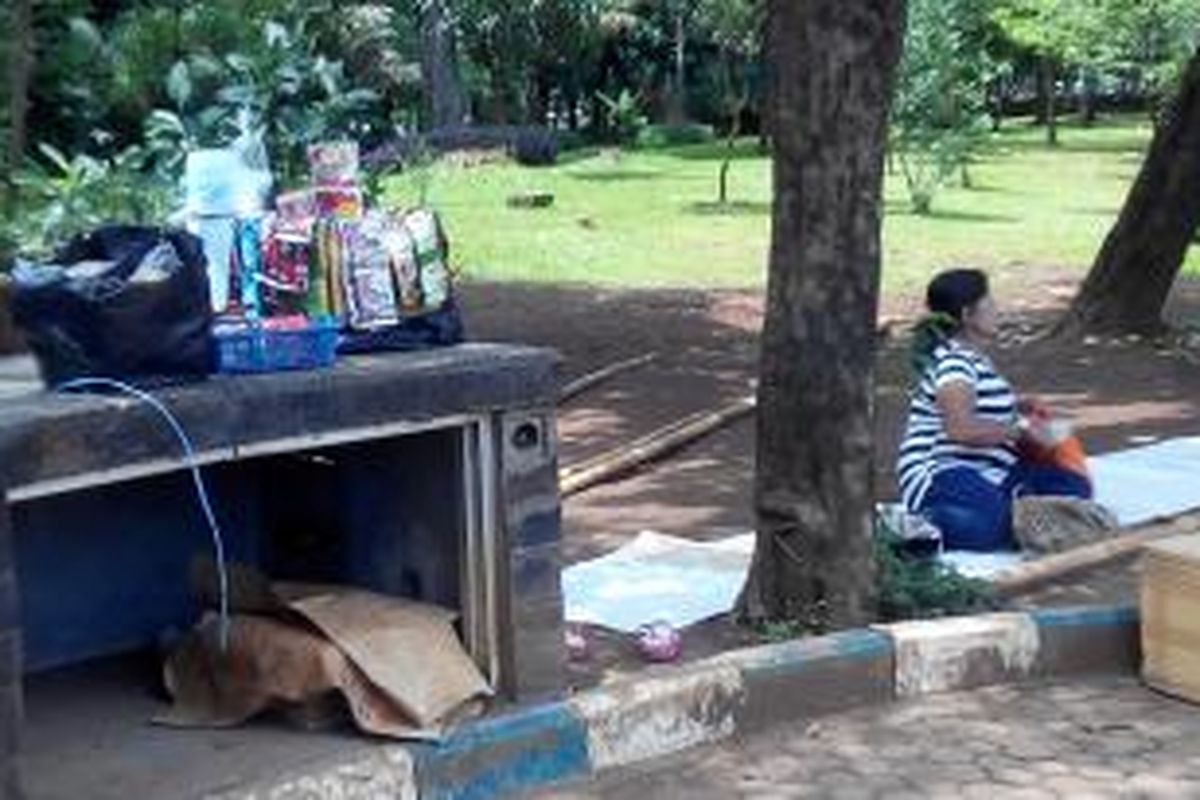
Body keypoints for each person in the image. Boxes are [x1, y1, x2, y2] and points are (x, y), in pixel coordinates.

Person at [897, 268, 1092, 551]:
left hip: (993, 472)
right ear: (967, 315)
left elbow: (985, 412)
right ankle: (911, 524)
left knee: (1074, 489)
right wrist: (1023, 431)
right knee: (989, 528)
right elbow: (960, 429)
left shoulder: (975, 361)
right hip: (943, 471)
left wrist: (1020, 408)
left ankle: (1008, 509)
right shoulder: (954, 363)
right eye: (989, 303)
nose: (997, 310)